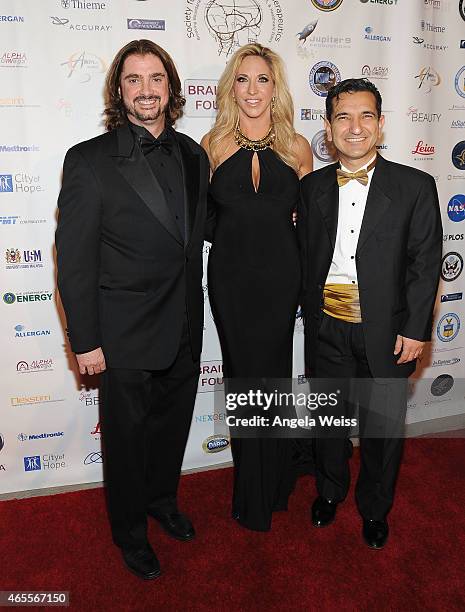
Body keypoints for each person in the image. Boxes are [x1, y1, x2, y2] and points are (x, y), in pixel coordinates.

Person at [55, 39, 209, 579]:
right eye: (133, 80)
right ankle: (130, 533)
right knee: (125, 442)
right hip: (122, 334)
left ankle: (162, 502)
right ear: (119, 92)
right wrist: (85, 340)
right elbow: (73, 261)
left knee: (171, 430)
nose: (146, 90)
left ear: (171, 87)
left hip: (185, 325)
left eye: (156, 78)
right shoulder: (89, 160)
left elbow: (195, 238)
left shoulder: (194, 154)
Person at [298, 78, 442, 548]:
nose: (354, 127)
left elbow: (425, 265)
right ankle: (330, 491)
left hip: (389, 333)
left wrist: (417, 329)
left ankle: (375, 508)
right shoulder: (311, 187)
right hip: (327, 328)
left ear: (381, 124)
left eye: (365, 116)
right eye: (343, 116)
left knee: (382, 431)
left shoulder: (416, 186)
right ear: (328, 126)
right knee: (329, 423)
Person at [201, 43, 313, 532]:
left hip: (280, 279)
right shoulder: (213, 145)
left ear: (275, 87)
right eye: (242, 79)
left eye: (262, 79)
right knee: (241, 377)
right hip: (229, 278)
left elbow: (314, 222)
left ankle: (268, 482)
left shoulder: (297, 146)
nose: (252, 89)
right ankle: (252, 480)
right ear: (231, 87)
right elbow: (202, 219)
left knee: (273, 376)